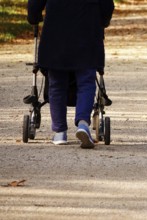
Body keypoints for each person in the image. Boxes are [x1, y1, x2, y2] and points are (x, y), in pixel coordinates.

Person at [27, 0, 115, 148]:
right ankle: (82, 124)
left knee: (56, 84)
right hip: (87, 34)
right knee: (86, 82)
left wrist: (33, 17)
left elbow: (35, 4)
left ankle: (60, 132)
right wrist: (103, 21)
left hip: (56, 37)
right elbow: (107, 5)